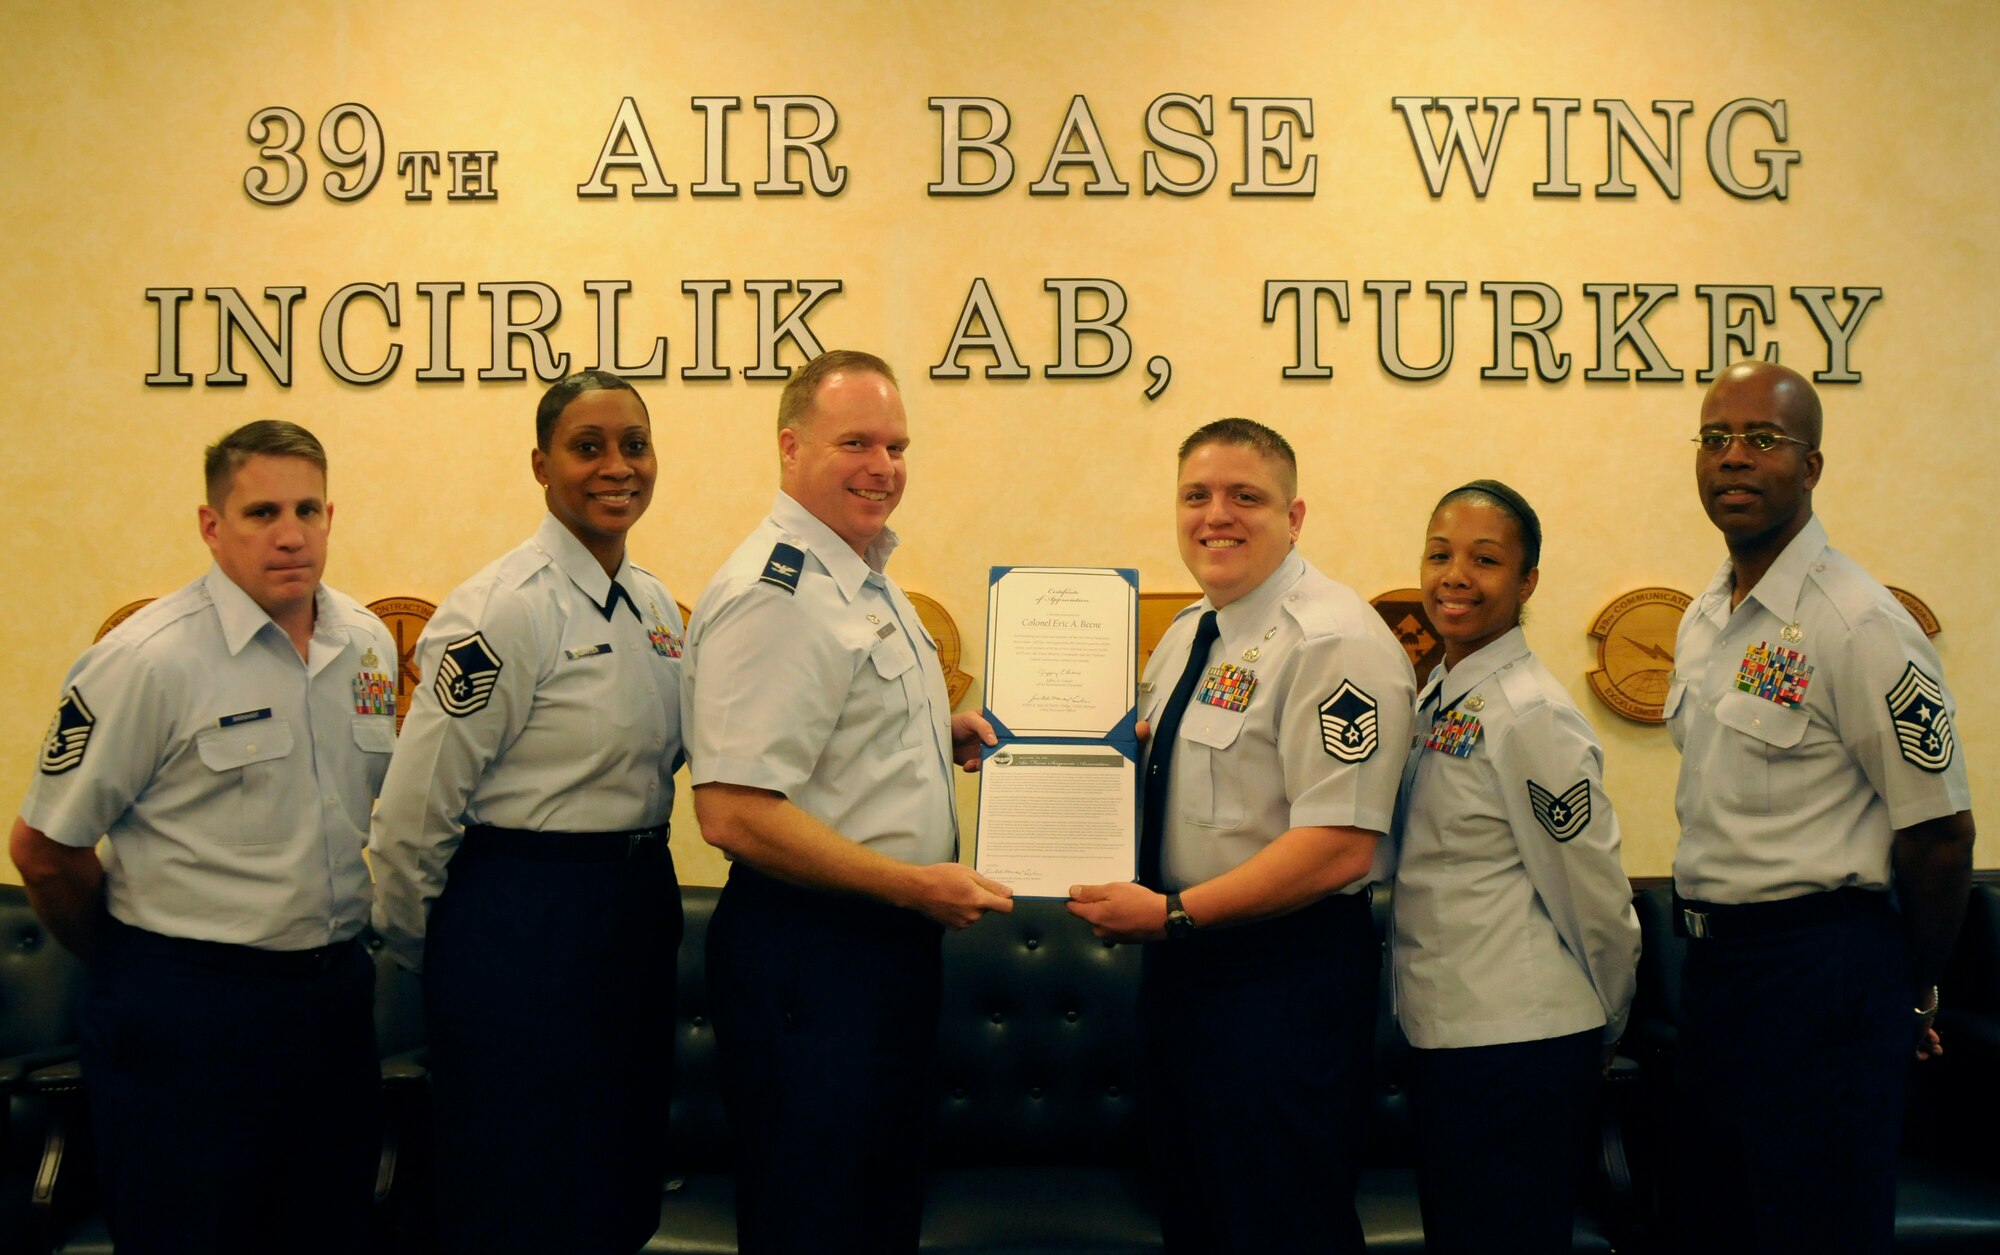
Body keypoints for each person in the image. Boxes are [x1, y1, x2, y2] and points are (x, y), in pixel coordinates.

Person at [9, 420, 396, 1255]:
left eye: (306, 509)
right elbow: (43, 848)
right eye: (260, 512)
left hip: (330, 1002)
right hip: (188, 1015)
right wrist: (126, 959)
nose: (290, 534)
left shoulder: (364, 643)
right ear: (211, 525)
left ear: (330, 514)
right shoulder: (144, 660)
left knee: (331, 1232)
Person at [681, 349, 1011, 1255]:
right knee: (816, 1212)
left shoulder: (858, 575)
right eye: (856, 441)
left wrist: (933, 734)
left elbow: (818, 739)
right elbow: (734, 812)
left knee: (872, 1204)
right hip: (814, 956)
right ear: (790, 448)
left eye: (898, 445)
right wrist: (912, 885)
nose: (884, 466)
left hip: (874, 949)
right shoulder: (775, 593)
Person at [1068, 418, 1415, 1254]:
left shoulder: (1334, 641)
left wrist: (1174, 913)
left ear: (1294, 517)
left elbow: (1338, 844)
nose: (1215, 515)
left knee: (1281, 1218)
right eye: (1196, 495)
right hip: (1184, 976)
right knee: (1196, 1213)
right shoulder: (1193, 630)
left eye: (1244, 496)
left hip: (1282, 981)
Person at [369, 370, 685, 1255]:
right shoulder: (503, 609)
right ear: (541, 465)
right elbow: (411, 816)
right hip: (520, 922)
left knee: (617, 1183)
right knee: (521, 1191)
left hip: (632, 909)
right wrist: (431, 958)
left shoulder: (658, 607)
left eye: (634, 443)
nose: (616, 466)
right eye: (589, 447)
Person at [1666, 361, 1976, 1255]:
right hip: (1718, 972)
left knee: (1817, 1229)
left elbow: (1942, 835)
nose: (1733, 457)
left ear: (1811, 467)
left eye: (1763, 439)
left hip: (1827, 975)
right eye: (1715, 437)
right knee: (1716, 1223)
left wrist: (1906, 986)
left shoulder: (1861, 623)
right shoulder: (1703, 619)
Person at [1391, 480, 1640, 1254]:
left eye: (1485, 558)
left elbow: (1592, 891)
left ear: (1527, 581)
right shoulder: (1441, 694)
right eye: (1440, 554)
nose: (1454, 574)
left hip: (1519, 1048)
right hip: (1453, 1035)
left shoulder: (1529, 712)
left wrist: (1612, 1017)